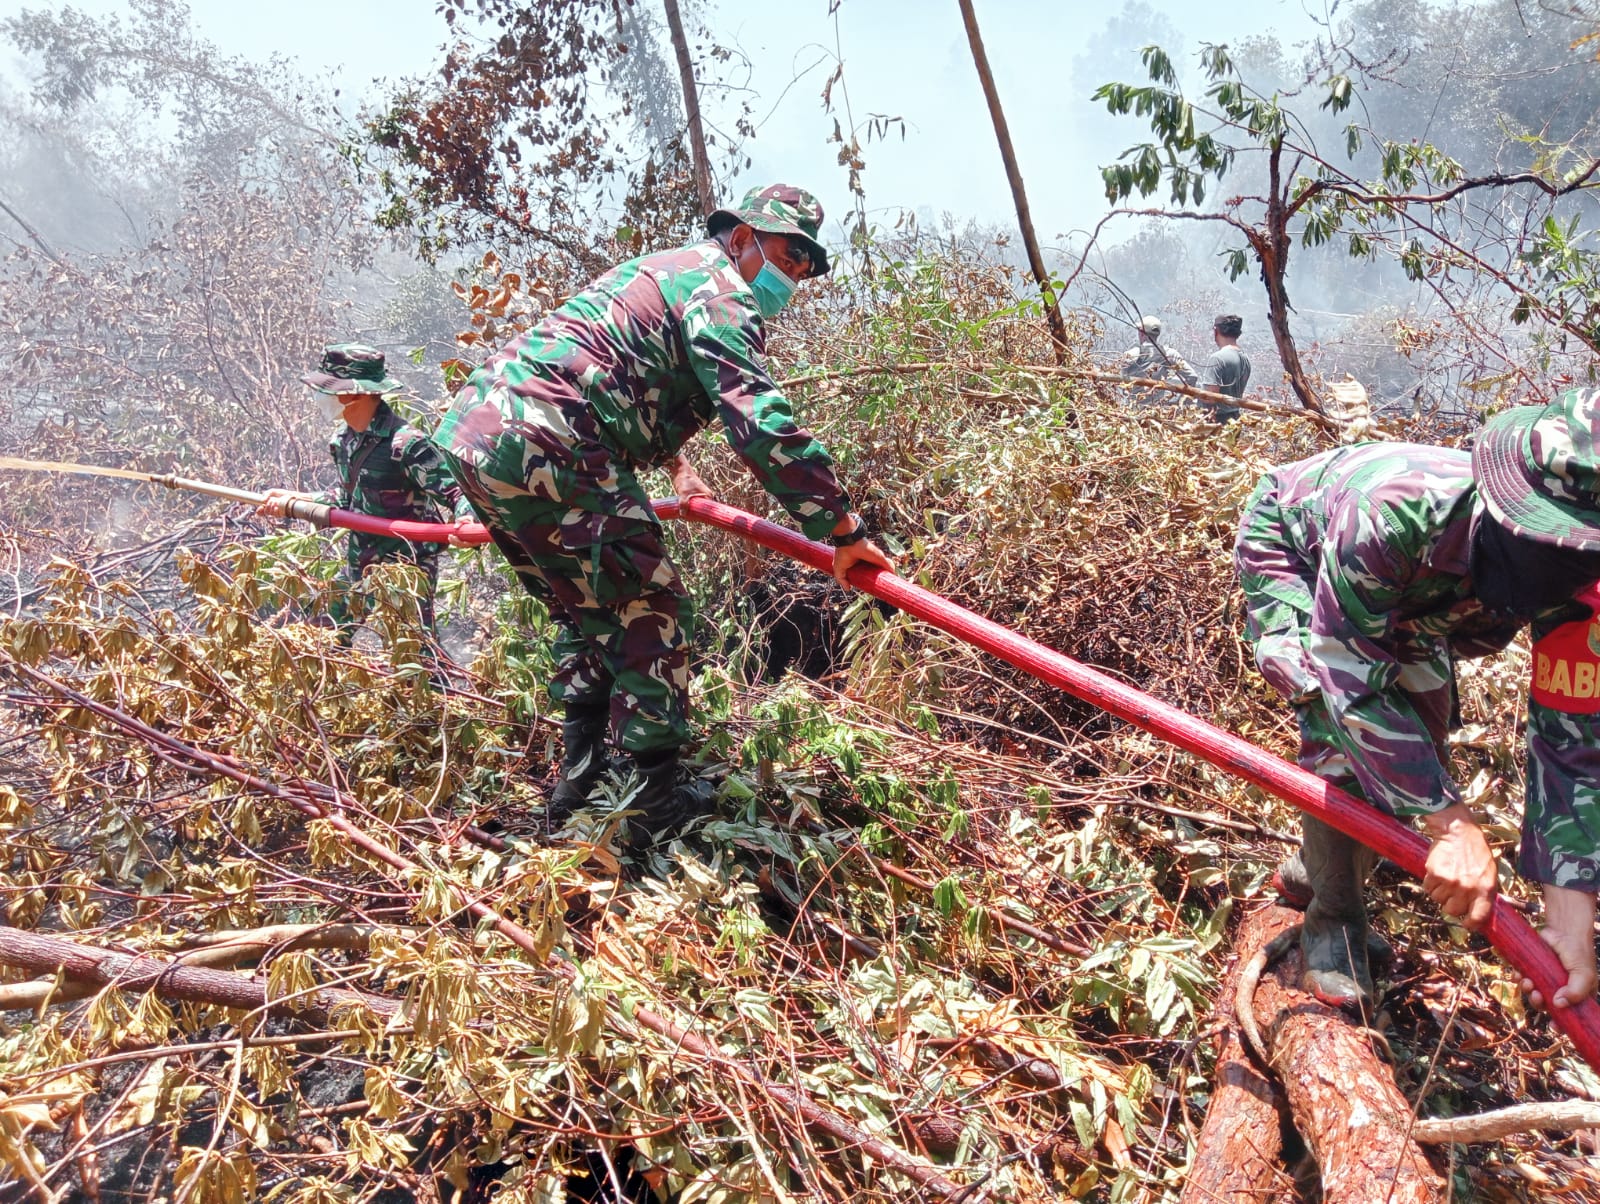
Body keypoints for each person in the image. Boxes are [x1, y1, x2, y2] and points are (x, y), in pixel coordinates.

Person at [431, 184, 895, 842]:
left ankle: (578, 784)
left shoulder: (662, 270)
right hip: (551, 436)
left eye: (803, 269)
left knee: (585, 607)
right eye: (788, 257)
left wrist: (677, 465)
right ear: (740, 239)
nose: (793, 277)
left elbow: (628, 373)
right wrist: (843, 529)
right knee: (649, 606)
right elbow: (756, 418)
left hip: (481, 435)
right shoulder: (719, 285)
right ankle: (654, 800)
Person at [1235, 387, 1600, 1015]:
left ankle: (1313, 864)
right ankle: (1333, 922)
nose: (1566, 572)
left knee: (1420, 751)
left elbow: (1572, 744)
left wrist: (1571, 918)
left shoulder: (1582, 585)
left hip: (1427, 600)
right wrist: (1452, 825)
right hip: (1298, 548)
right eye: (1549, 546)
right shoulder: (1390, 513)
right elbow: (1348, 680)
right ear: (1506, 503)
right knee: (1344, 731)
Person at [259, 344, 476, 647]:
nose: (322, 398)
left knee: (415, 654)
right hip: (360, 563)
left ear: (358, 394)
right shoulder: (343, 441)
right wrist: (295, 500)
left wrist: (466, 522)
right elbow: (348, 499)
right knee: (323, 641)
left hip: (405, 571)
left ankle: (441, 692)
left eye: (329, 390)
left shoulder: (406, 444)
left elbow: (457, 491)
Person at [1117, 315, 1197, 405]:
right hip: (1158, 412)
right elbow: (1192, 376)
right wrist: (1183, 401)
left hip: (1132, 411)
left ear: (1141, 333)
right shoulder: (1169, 354)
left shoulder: (1131, 354)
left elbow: (1119, 381)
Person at [1198, 313, 1251, 424]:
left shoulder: (1217, 358)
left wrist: (1190, 392)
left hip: (1215, 421)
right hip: (1234, 419)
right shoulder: (1245, 359)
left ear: (1215, 331)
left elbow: (1211, 397)